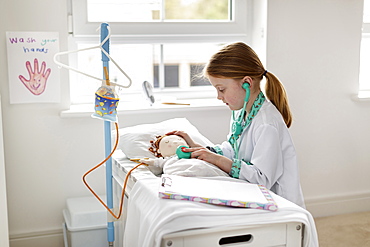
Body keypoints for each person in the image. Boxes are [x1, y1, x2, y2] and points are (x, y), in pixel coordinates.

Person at [168, 42, 305, 208]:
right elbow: (233, 150)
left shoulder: (266, 124)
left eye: (221, 89)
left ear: (246, 83)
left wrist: (217, 159)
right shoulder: (241, 113)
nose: (218, 96)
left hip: (280, 206)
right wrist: (203, 150)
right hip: (256, 197)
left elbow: (262, 179)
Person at [139, 134, 229, 177]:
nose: (175, 142)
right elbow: (158, 162)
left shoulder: (197, 153)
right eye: (167, 142)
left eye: (179, 139)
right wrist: (148, 161)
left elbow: (210, 156)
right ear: (159, 151)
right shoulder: (169, 159)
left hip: (205, 171)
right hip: (182, 173)